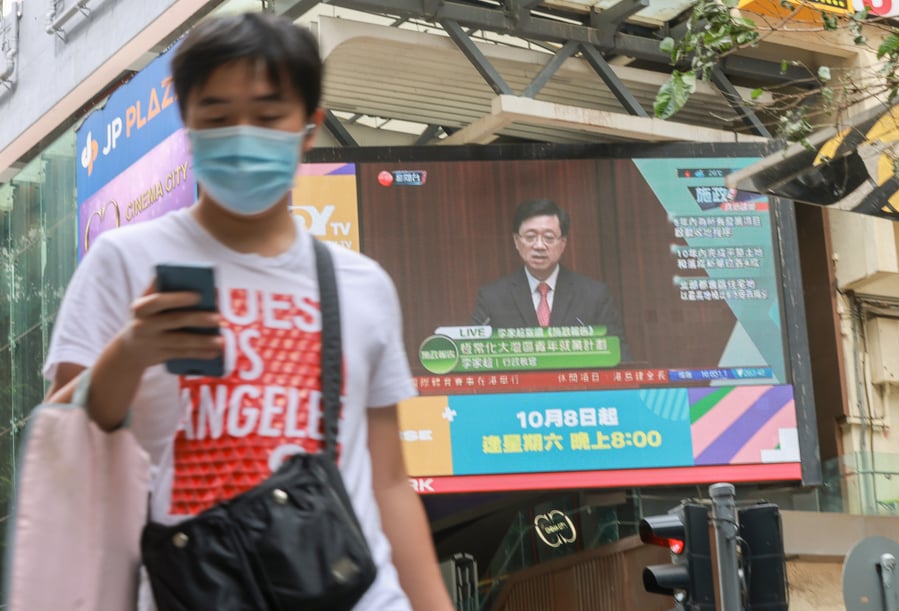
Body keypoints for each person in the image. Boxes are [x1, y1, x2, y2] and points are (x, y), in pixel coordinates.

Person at [43, 13, 454, 611]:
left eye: (266, 117)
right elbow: (63, 447)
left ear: (308, 128)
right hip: (199, 589)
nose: (241, 135)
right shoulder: (124, 261)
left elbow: (390, 481)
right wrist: (130, 352)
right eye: (216, 117)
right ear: (188, 124)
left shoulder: (361, 285)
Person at [471, 198, 632, 362]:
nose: (539, 246)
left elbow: (619, 355)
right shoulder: (493, 298)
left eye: (548, 237)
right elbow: (475, 354)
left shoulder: (593, 295)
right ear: (516, 242)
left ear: (562, 244)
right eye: (530, 237)